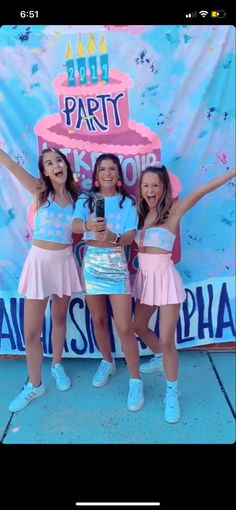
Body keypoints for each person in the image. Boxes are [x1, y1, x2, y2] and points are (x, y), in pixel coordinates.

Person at [132, 163, 236, 424]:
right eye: (146, 185)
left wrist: (233, 171)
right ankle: (158, 357)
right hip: (145, 281)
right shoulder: (139, 215)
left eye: (155, 185)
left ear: (164, 187)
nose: (150, 190)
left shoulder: (174, 211)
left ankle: (172, 392)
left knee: (168, 340)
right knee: (139, 326)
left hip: (166, 281)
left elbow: (201, 191)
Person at [0, 147, 82, 412]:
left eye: (59, 160)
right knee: (31, 332)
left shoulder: (78, 198)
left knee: (59, 319)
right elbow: (10, 164)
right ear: (45, 171)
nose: (56, 165)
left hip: (65, 263)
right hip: (38, 264)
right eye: (49, 163)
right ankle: (35, 384)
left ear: (66, 166)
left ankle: (57, 364)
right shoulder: (39, 191)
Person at [72, 153, 144, 412]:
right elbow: (76, 223)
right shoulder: (86, 198)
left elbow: (130, 237)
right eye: (103, 169)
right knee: (99, 320)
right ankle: (107, 361)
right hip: (92, 264)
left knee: (125, 327)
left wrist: (112, 237)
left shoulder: (128, 202)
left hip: (116, 263)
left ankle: (136, 380)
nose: (108, 173)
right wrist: (88, 224)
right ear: (96, 174)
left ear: (119, 175)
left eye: (112, 169)